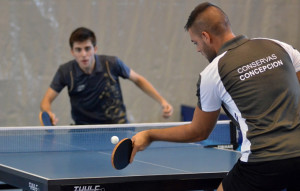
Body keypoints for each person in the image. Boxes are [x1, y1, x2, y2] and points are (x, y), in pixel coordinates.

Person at [130, 2, 300, 191]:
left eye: (196, 43)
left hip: (262, 161)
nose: (197, 50)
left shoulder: (213, 73)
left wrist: (150, 135)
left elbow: (199, 132)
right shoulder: (278, 46)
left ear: (206, 36)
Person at [40, 27, 173, 125]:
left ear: (95, 49)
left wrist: (162, 101)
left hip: (117, 126)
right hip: (83, 130)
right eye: (78, 50)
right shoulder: (65, 71)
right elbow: (46, 100)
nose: (84, 54)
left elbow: (138, 79)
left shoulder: (112, 64)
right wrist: (48, 113)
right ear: (72, 52)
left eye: (87, 48)